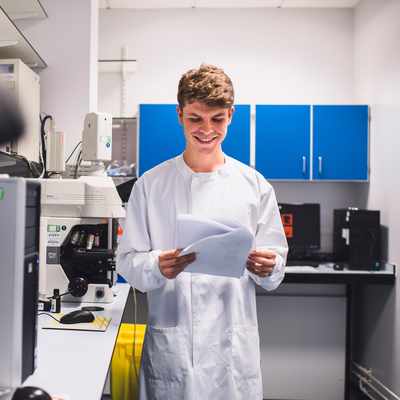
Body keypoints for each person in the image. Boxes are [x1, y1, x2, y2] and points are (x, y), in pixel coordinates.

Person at [117, 64, 288, 400]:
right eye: (196, 118)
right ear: (180, 114)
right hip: (174, 348)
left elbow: (276, 263)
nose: (207, 130)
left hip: (231, 348)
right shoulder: (151, 186)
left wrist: (269, 266)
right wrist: (155, 265)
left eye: (217, 119)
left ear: (231, 116)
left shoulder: (254, 186)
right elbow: (127, 262)